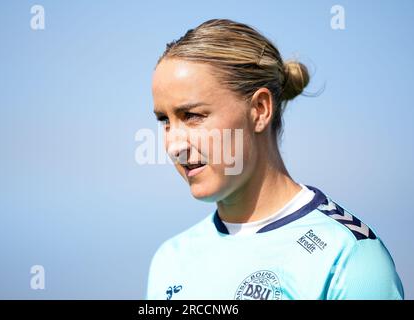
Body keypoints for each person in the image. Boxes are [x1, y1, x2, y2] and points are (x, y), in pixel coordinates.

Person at [146, 18, 404, 300]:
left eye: (192, 116)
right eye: (164, 121)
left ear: (259, 109)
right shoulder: (170, 260)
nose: (174, 145)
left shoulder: (348, 259)